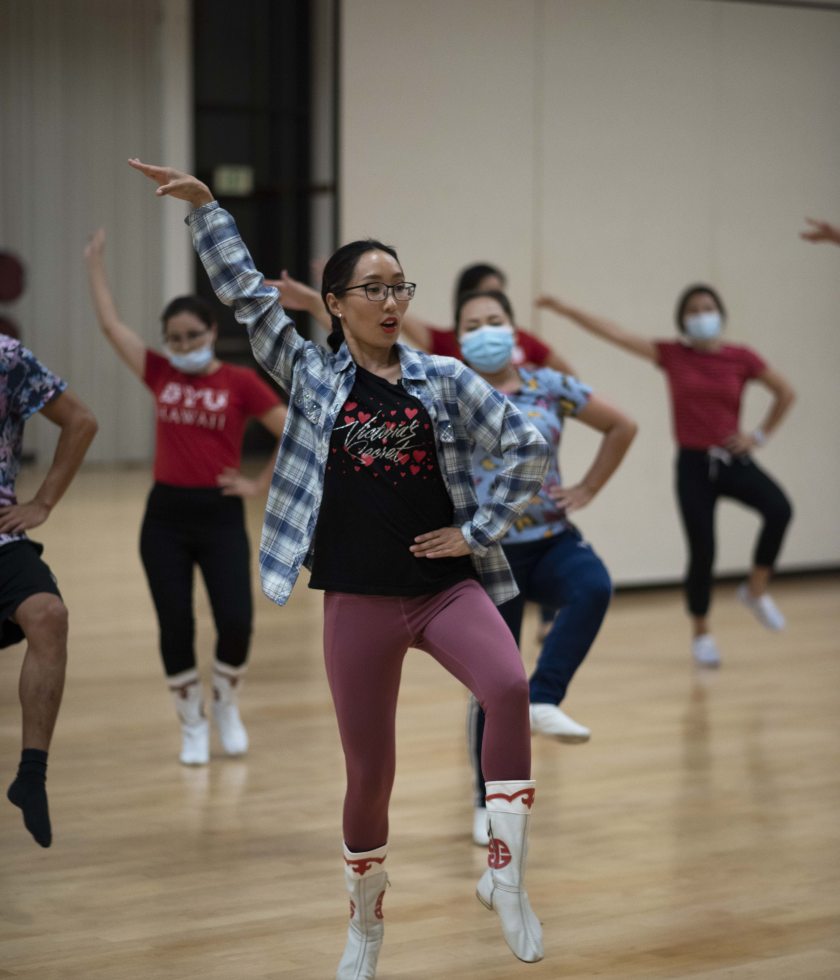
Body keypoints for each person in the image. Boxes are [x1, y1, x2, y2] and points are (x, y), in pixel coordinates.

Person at [129, 157, 551, 980]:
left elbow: (528, 445)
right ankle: (364, 923)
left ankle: (505, 872)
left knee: (507, 686)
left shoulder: (442, 378)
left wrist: (475, 530)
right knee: (371, 773)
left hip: (445, 590)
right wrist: (208, 210)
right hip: (357, 599)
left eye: (401, 285)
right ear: (336, 303)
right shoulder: (314, 377)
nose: (393, 301)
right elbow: (249, 300)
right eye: (374, 287)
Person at [85, 229, 287, 765]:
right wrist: (95, 264)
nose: (183, 346)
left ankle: (225, 705)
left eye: (192, 336)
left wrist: (257, 483)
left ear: (211, 331)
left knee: (237, 622)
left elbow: (292, 429)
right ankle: (191, 722)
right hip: (165, 517)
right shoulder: (160, 371)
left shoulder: (241, 382)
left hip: (220, 515)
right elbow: (112, 326)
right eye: (174, 338)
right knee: (175, 624)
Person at [455, 289, 636, 844]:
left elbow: (622, 426)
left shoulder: (548, 385)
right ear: (458, 336)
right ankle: (488, 800)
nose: (485, 330)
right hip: (491, 553)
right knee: (495, 681)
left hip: (552, 538)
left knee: (593, 586)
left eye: (495, 320)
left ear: (513, 329)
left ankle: (545, 697)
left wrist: (588, 487)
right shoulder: (448, 389)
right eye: (473, 323)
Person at [537, 286, 796, 667]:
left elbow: (785, 392)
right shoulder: (674, 355)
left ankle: (755, 591)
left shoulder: (741, 358)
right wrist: (565, 308)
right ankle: (702, 634)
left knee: (780, 509)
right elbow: (617, 333)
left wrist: (756, 437)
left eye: (707, 308)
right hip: (693, 466)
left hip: (731, 458)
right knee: (703, 549)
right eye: (693, 309)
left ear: (720, 314)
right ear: (682, 320)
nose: (701, 314)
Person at [1, 337, 98, 846]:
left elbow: (81, 421)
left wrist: (43, 502)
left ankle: (31, 776)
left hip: (1, 531)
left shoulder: (6, 357)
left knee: (48, 615)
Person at [267, 261, 577, 373]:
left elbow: (571, 381)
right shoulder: (447, 371)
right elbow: (368, 330)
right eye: (485, 292)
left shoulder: (537, 382)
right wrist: (323, 298)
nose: (490, 302)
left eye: (499, 295)